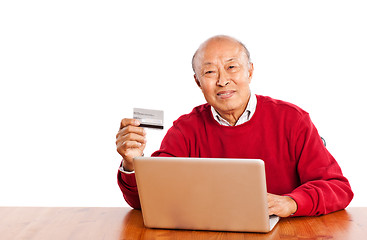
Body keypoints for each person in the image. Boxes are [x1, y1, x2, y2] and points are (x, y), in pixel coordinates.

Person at [116, 35, 353, 217]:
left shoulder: (293, 120)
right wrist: (132, 163)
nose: (222, 80)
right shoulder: (185, 130)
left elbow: (338, 189)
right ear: (198, 82)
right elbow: (150, 200)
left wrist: (291, 202)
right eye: (210, 72)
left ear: (250, 70)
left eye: (232, 67)